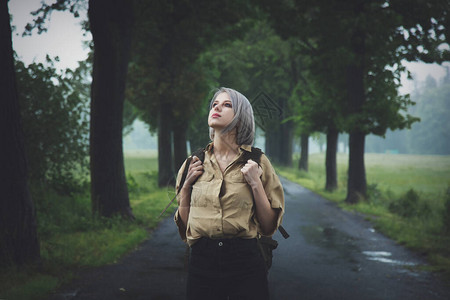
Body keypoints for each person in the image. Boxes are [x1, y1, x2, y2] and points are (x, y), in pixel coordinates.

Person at [174, 87, 285, 300]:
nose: (217, 107)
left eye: (227, 105)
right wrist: (186, 187)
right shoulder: (193, 163)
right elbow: (186, 229)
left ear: (241, 119)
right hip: (202, 261)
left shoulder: (258, 162)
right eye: (215, 103)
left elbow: (270, 226)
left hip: (246, 261)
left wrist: (255, 183)